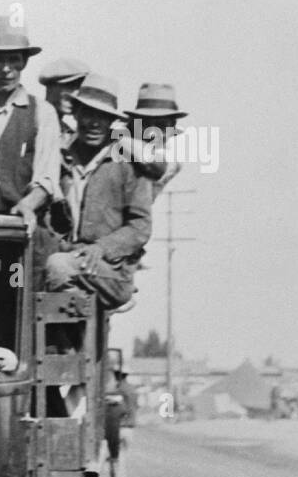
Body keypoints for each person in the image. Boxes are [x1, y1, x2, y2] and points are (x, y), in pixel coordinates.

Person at [44, 74, 152, 310]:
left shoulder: (128, 164)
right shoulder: (60, 155)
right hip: (70, 257)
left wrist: (101, 248)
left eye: (101, 116)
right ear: (75, 114)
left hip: (110, 269)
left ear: (111, 121)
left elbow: (140, 227)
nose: (93, 123)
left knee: (58, 267)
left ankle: (79, 328)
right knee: (17, 273)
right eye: (87, 113)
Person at [0, 15, 63, 236]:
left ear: (24, 62)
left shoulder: (42, 112)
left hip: (23, 228)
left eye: (13, 60)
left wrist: (27, 204)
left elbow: (47, 179)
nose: (5, 69)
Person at [118, 82, 189, 200]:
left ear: (172, 127)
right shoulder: (127, 140)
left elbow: (152, 162)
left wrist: (114, 136)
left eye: (161, 125)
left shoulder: (174, 155)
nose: (151, 133)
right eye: (146, 124)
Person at [37, 57, 89, 150]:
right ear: (50, 88)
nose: (75, 95)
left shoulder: (69, 133)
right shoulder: (30, 122)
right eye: (70, 86)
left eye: (80, 88)